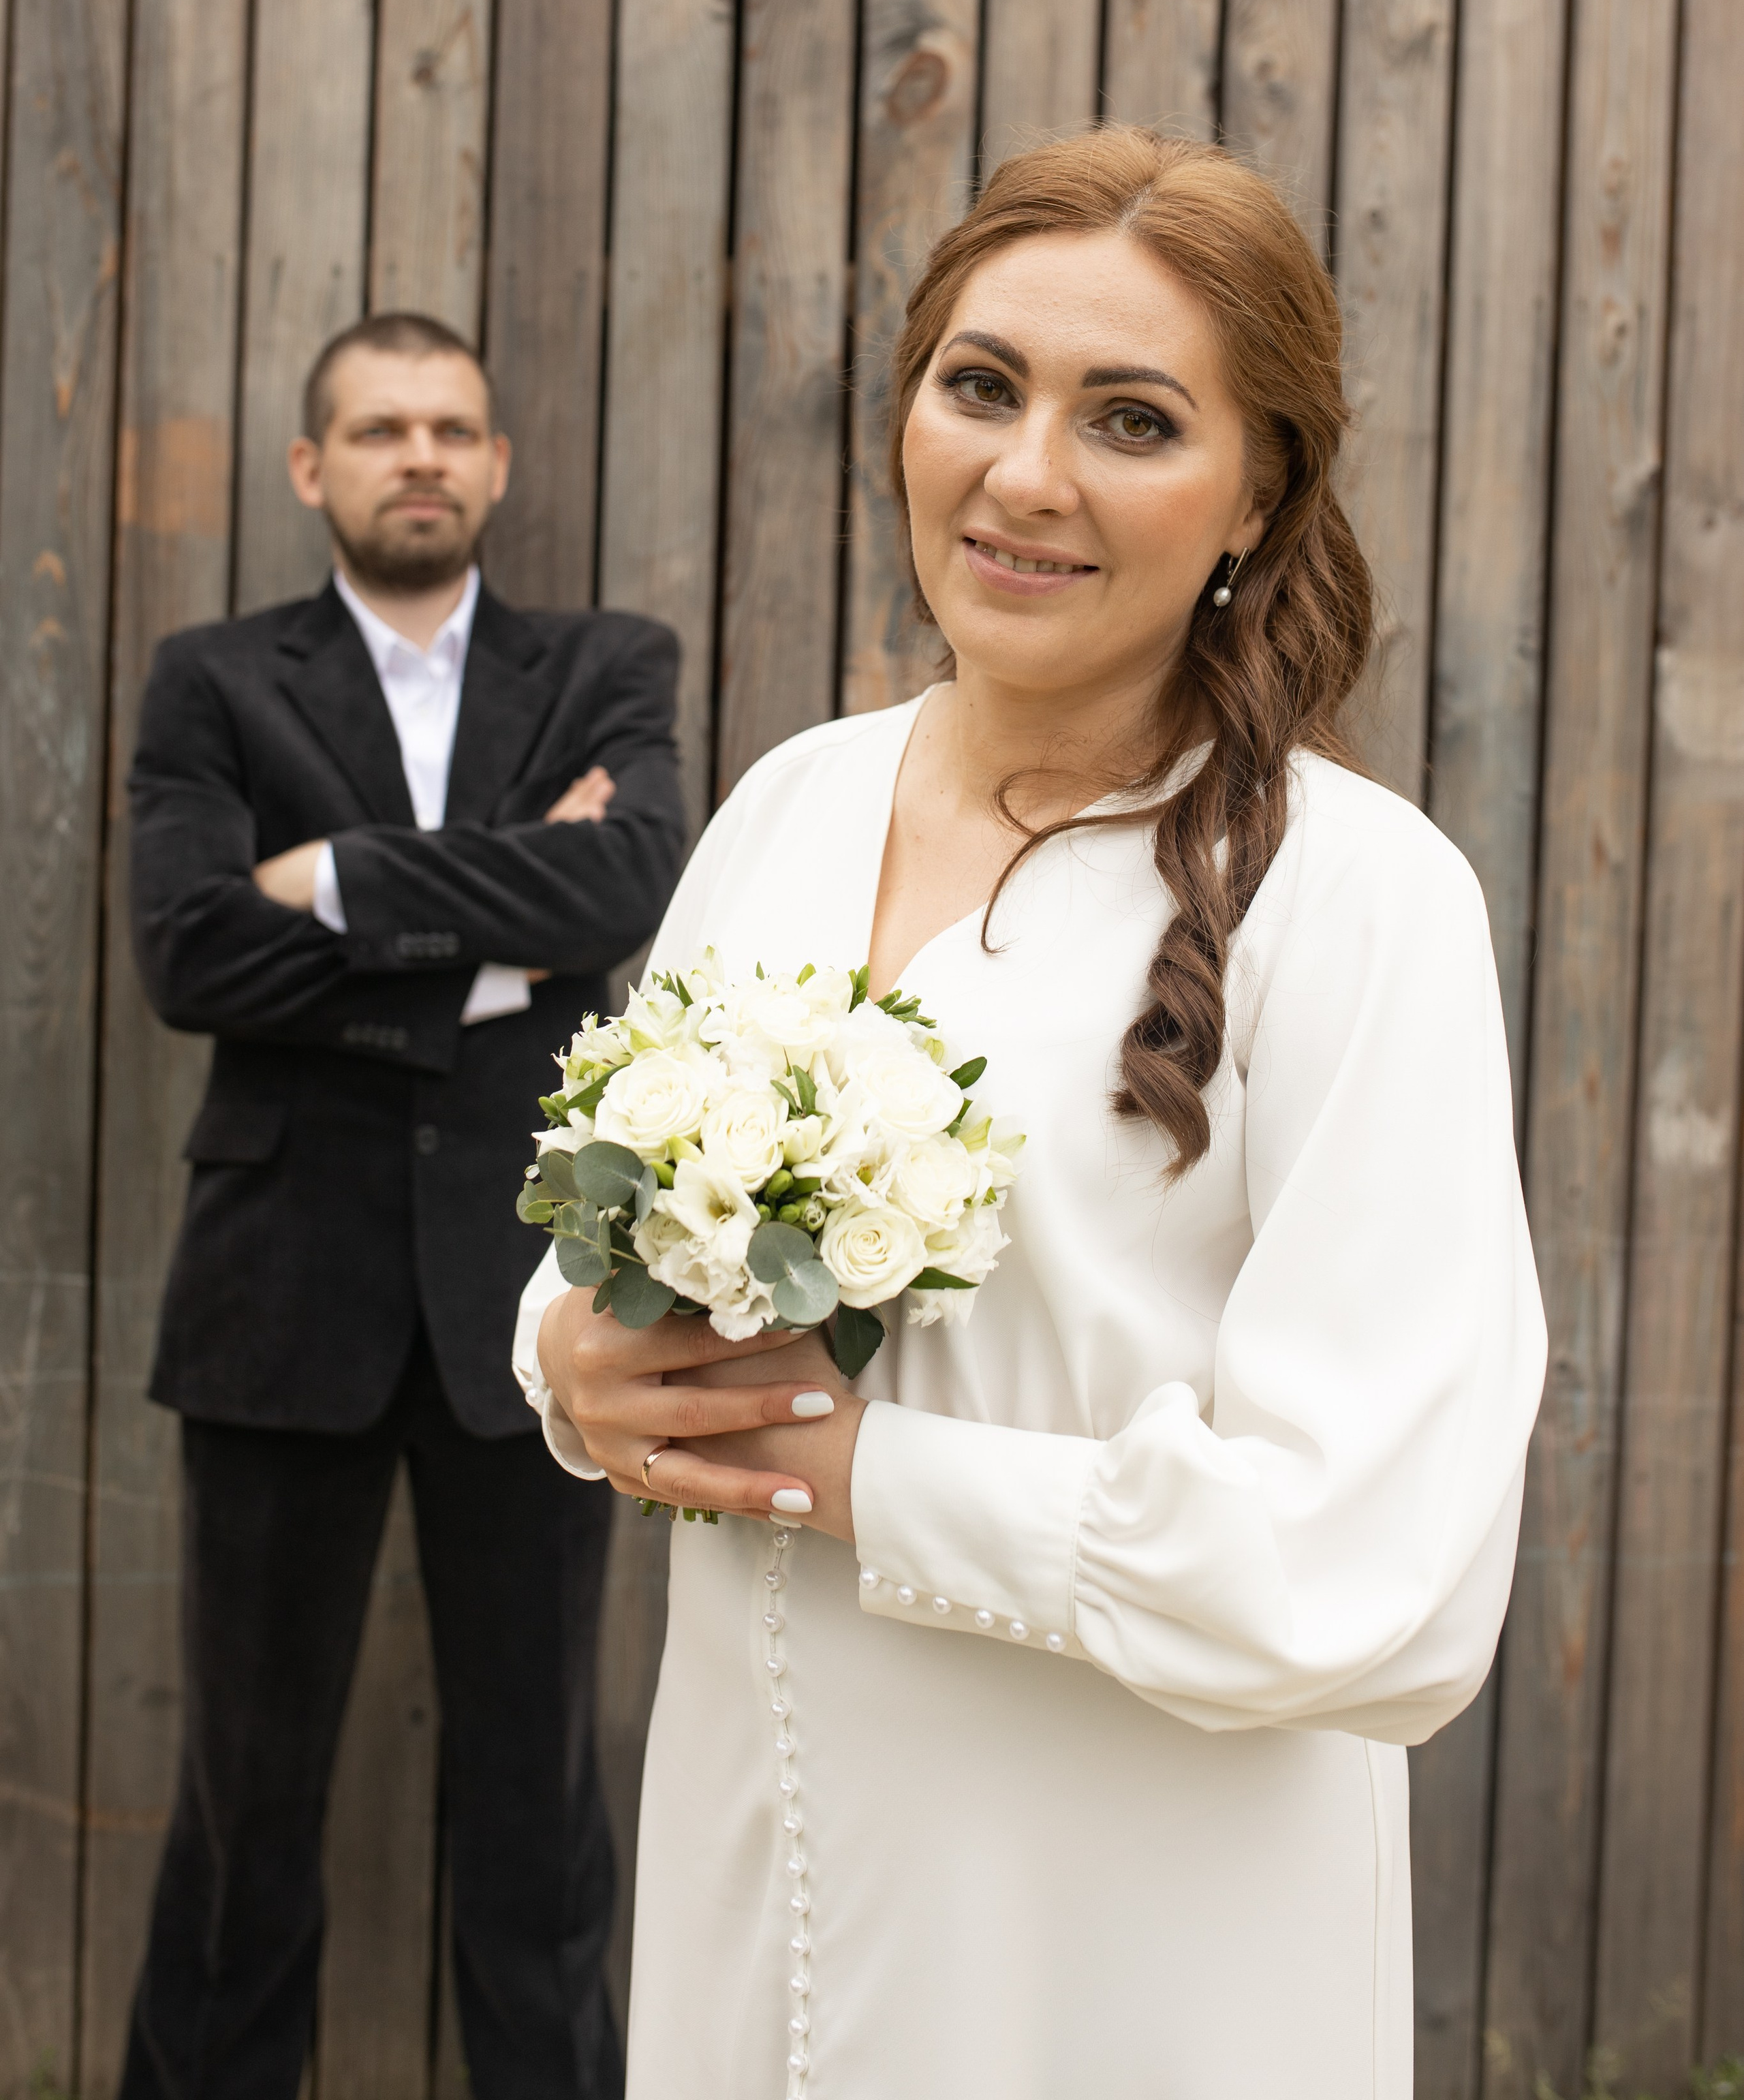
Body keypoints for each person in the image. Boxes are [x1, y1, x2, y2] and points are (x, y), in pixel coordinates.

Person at [518, 131, 1548, 2100]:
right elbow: (599, 1235)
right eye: (979, 385)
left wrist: (871, 1481)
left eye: (1133, 419)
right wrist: (574, 1360)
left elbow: (1376, 1570)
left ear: (1261, 488)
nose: (1026, 475)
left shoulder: (1363, 898)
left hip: (1127, 1942)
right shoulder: (793, 802)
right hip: (760, 1866)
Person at [122, 312, 685, 2100]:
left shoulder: (607, 665)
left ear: (500, 464)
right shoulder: (215, 682)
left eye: (452, 426)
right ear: (315, 470)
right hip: (279, 1300)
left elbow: (628, 886)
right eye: (380, 430)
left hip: (538, 1305)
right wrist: (500, 951)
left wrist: (347, 878)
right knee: (243, 1808)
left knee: (540, 1808)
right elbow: (194, 951)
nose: (420, 456)